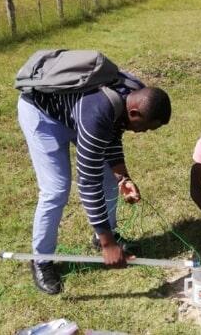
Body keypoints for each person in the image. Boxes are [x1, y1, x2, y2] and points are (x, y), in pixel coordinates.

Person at [17, 68, 171, 294]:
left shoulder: (133, 93)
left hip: (75, 112)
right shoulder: (98, 113)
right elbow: (87, 182)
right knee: (56, 190)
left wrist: (122, 177)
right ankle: (42, 260)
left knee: (109, 176)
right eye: (145, 127)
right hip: (42, 114)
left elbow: (113, 133)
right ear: (135, 113)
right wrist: (109, 246)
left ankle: (103, 234)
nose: (142, 132)